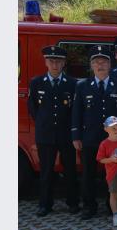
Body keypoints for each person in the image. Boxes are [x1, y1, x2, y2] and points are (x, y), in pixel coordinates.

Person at [71, 44, 117, 220]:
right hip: (90, 138)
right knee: (88, 174)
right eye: (96, 62)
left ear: (110, 65)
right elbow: (77, 112)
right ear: (91, 65)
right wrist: (76, 136)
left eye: (104, 62)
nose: (100, 65)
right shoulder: (82, 86)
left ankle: (113, 206)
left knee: (114, 173)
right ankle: (89, 206)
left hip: (113, 139)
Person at [28, 45, 79, 217]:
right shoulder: (36, 82)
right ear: (46, 62)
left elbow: (75, 110)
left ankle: (72, 203)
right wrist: (44, 123)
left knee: (70, 170)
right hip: (46, 134)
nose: (55, 65)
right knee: (46, 171)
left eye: (58, 61)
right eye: (51, 61)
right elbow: (33, 108)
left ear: (64, 63)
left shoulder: (72, 84)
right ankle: (45, 204)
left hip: (66, 134)